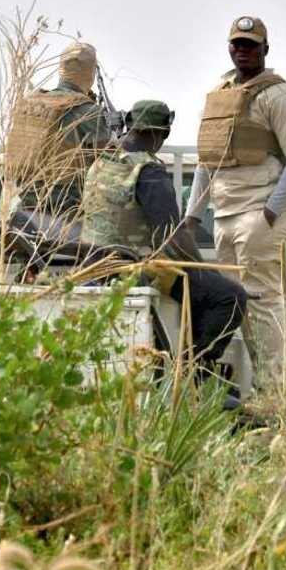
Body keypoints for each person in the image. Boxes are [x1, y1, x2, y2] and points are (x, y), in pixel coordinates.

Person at [185, 16, 286, 395]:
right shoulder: (220, 94)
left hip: (258, 212)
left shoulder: (279, 96)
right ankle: (236, 391)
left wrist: (271, 211)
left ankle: (274, 397)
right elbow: (206, 160)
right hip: (224, 214)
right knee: (232, 305)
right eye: (237, 44)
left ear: (265, 50)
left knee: (263, 305)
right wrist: (193, 214)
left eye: (251, 45)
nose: (243, 50)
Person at [81, 99, 248, 377]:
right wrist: (208, 270)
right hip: (132, 271)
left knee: (198, 289)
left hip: (96, 268)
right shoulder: (148, 171)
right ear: (161, 133)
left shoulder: (99, 163)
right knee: (230, 296)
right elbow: (173, 235)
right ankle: (193, 375)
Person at [5, 42, 114, 235]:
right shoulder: (87, 112)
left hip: (25, 211)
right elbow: (108, 166)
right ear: (90, 73)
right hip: (66, 217)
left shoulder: (29, 105)